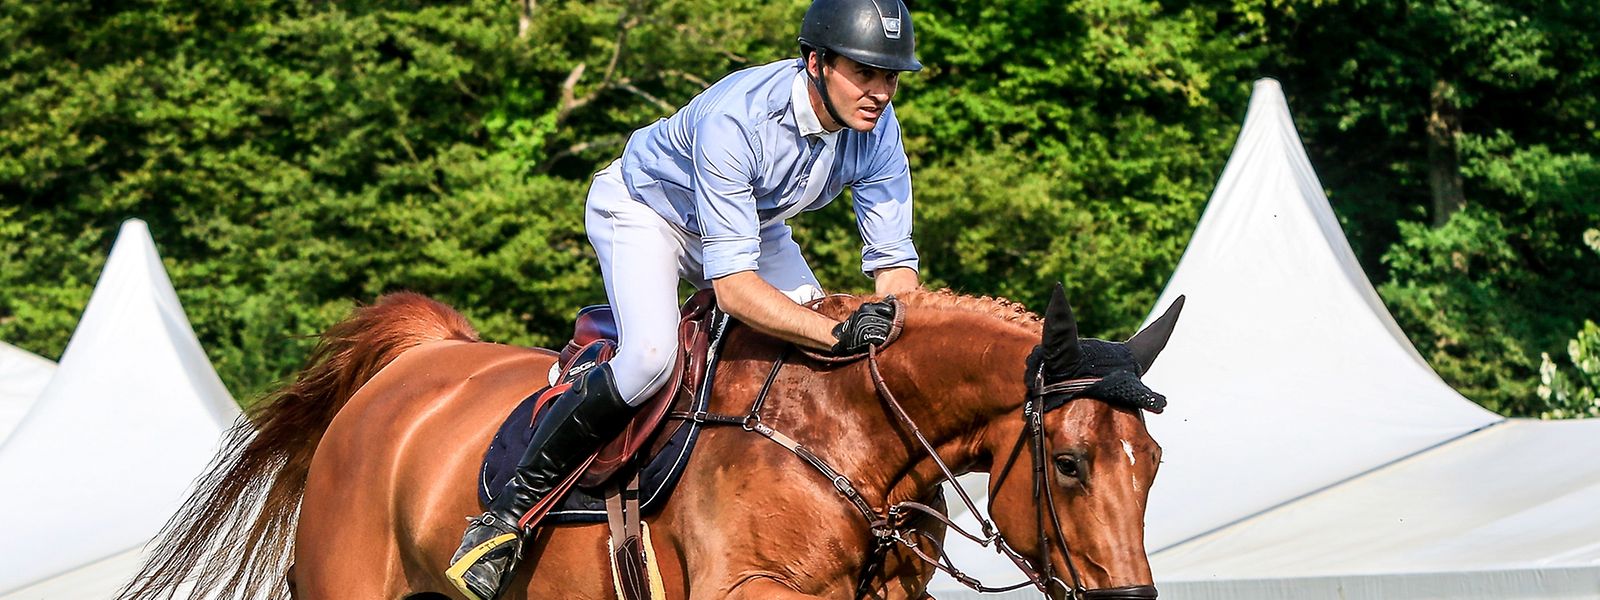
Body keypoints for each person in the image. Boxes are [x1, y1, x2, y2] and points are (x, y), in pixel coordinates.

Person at [445, 1, 923, 597]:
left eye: (890, 77)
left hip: (750, 226)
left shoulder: (879, 129)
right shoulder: (739, 118)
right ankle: (504, 518)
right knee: (650, 358)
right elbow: (734, 290)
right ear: (816, 62)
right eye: (865, 72)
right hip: (646, 211)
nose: (880, 92)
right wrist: (834, 332)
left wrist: (893, 330)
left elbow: (896, 266)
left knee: (822, 352)